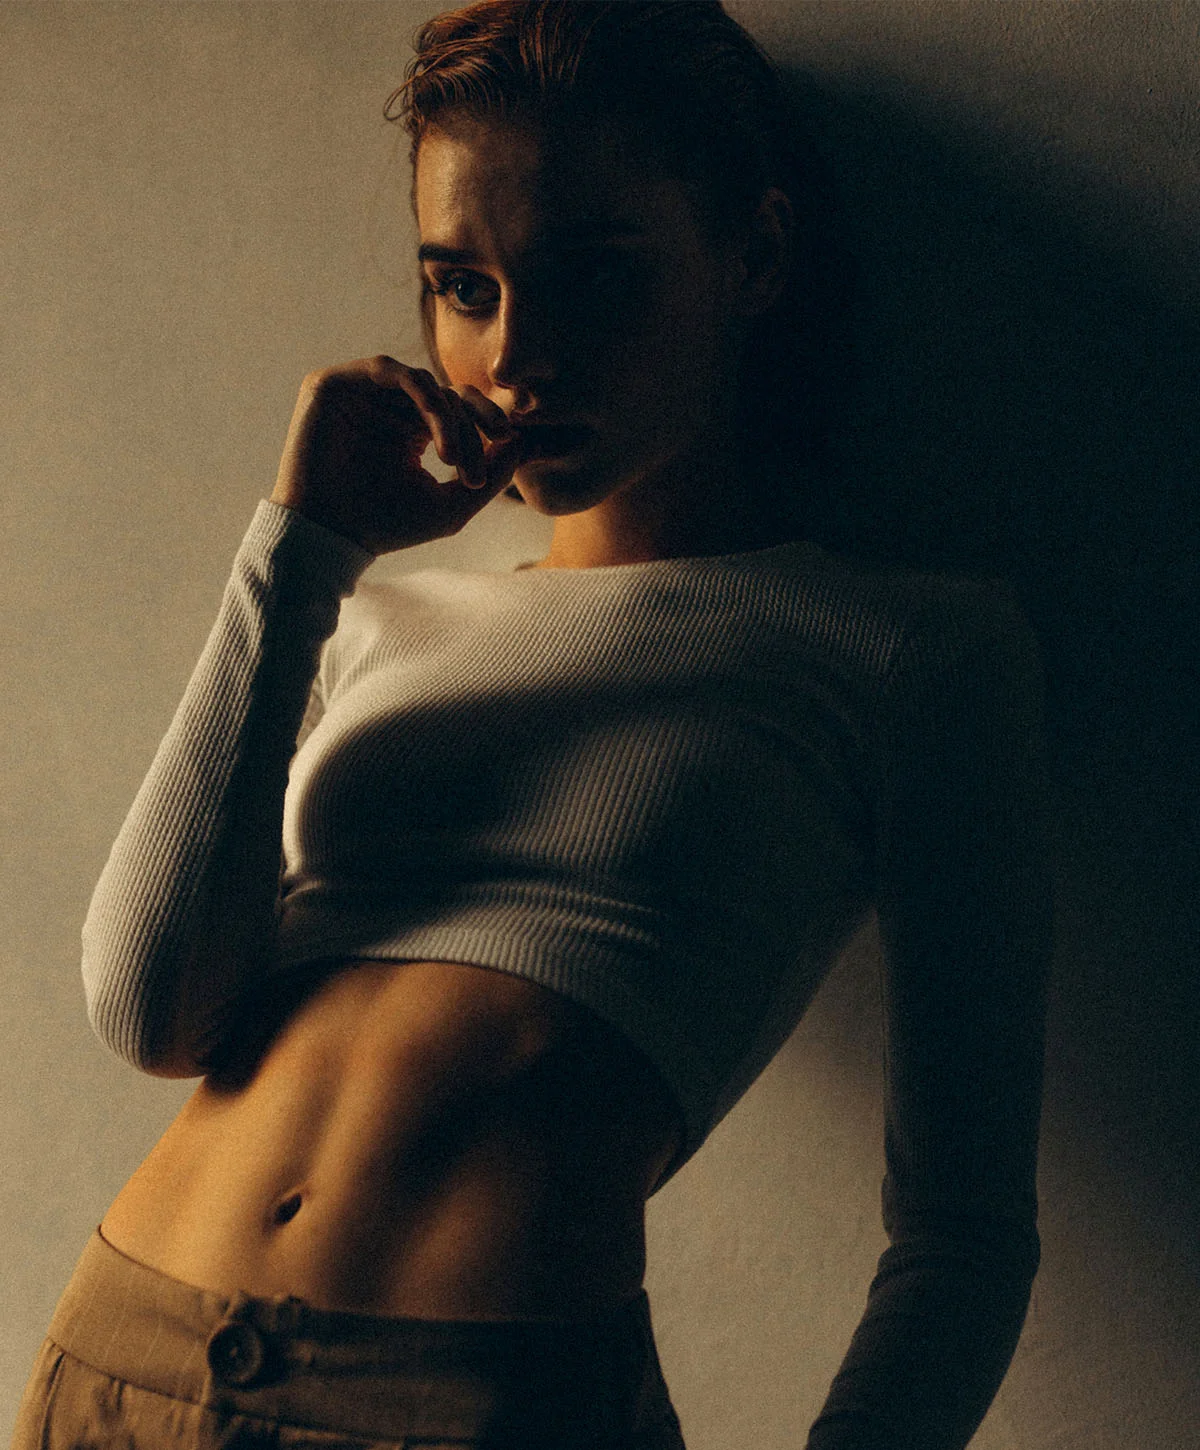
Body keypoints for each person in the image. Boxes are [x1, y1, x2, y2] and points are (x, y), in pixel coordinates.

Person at [12, 2, 1051, 1447]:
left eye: (596, 279)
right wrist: (300, 549)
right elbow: (150, 1011)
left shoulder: (905, 647)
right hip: (122, 1359)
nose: (517, 358)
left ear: (752, 253)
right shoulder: (378, 618)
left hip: (476, 1407)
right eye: (466, 285)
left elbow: (964, 1237)